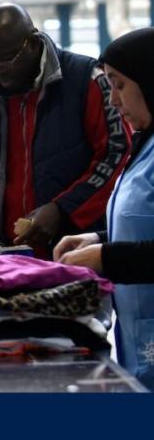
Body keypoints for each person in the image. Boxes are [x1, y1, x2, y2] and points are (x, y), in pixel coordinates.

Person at [0, 3, 131, 258]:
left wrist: (62, 209)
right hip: (12, 254)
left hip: (80, 251)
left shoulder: (86, 81)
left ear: (34, 43)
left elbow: (116, 156)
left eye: (5, 59)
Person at [53, 27, 154, 388]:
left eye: (119, 84)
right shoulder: (145, 145)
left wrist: (105, 257)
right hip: (139, 341)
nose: (113, 100)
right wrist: (96, 238)